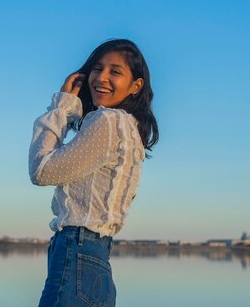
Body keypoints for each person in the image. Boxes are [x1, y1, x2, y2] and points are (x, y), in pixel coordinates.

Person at [28, 39, 158, 307]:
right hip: (96, 262)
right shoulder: (127, 128)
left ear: (136, 86)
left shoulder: (109, 121)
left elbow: (41, 170)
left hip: (77, 253)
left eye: (115, 71)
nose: (102, 77)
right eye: (97, 69)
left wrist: (61, 107)